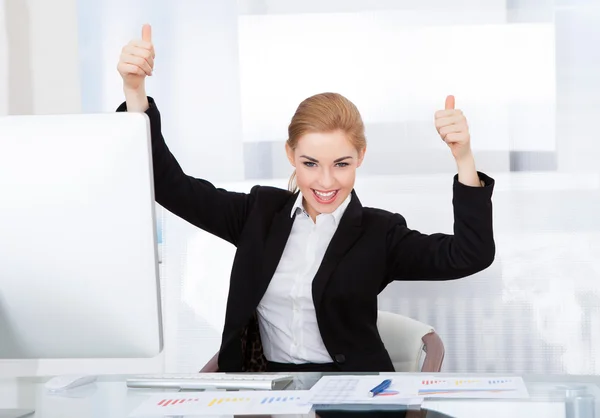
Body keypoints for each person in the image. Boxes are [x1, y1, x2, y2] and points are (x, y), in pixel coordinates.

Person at [116, 24, 495, 373]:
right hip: (266, 391)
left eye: (341, 164)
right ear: (290, 155)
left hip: (352, 397)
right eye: (310, 163)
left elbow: (470, 254)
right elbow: (171, 187)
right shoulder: (258, 215)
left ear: (361, 156)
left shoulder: (381, 233)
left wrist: (463, 157)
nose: (325, 181)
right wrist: (135, 92)